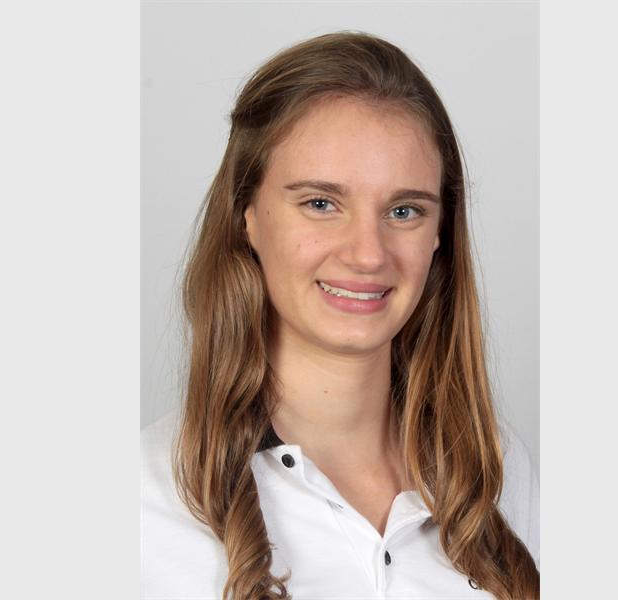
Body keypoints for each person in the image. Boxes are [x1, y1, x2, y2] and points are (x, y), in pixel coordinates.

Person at [141, 31, 540, 599]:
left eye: (404, 211)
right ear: (246, 215)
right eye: (321, 203)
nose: (368, 254)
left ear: (440, 233)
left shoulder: (500, 473)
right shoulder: (144, 504)